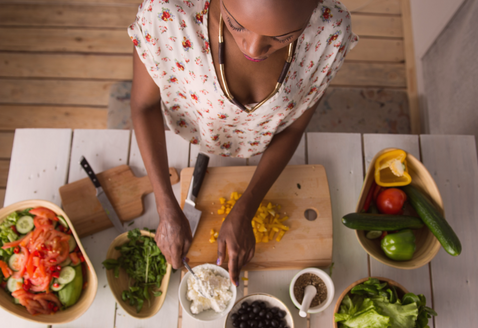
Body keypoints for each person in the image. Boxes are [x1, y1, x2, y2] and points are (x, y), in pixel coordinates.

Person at [129, 0, 358, 286]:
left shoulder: (330, 31)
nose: (252, 49)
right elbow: (144, 106)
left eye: (282, 37)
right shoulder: (166, 14)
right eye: (236, 25)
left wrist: (246, 208)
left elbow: (295, 127)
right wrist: (165, 205)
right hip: (187, 139)